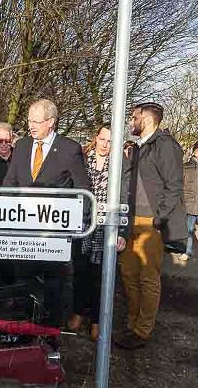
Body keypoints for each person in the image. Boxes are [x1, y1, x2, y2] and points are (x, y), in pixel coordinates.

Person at [4, 99, 90, 327]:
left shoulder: (70, 149)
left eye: (36, 121)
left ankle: (50, 333)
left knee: (54, 285)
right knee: (23, 281)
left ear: (51, 122)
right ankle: (23, 330)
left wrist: (75, 224)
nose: (31, 125)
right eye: (29, 120)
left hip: (54, 232)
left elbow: (83, 189)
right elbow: (10, 183)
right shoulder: (21, 145)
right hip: (22, 228)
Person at [116, 102, 186, 350]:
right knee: (128, 275)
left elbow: (174, 185)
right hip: (130, 220)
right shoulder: (138, 148)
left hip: (150, 224)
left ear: (146, 118)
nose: (130, 122)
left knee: (147, 278)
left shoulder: (164, 145)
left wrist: (159, 219)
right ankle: (132, 324)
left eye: (133, 117)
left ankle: (142, 331)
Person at [69, 123, 129, 340]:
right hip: (83, 222)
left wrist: (123, 230)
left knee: (101, 275)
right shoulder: (83, 159)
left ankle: (97, 319)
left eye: (111, 141)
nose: (105, 145)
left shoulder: (120, 166)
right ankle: (78, 312)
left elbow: (124, 197)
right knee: (80, 271)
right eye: (102, 139)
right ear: (96, 138)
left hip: (106, 224)